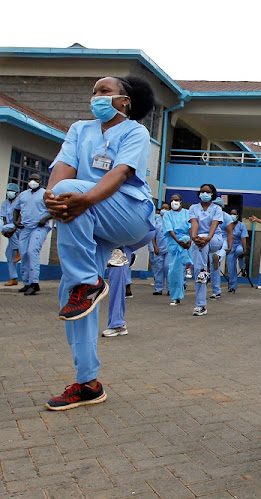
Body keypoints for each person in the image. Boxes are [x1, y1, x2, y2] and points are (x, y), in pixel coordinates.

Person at [43, 75, 155, 410]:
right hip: (89, 214)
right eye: (93, 92)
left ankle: (89, 282)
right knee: (71, 296)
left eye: (104, 91)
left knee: (69, 193)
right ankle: (87, 382)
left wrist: (79, 197)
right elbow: (64, 166)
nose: (96, 97)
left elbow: (119, 174)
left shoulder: (135, 131)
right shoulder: (80, 129)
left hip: (129, 213)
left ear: (125, 101)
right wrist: (52, 196)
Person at [14, 174, 53, 295]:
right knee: (24, 253)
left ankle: (34, 283)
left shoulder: (45, 194)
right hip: (25, 228)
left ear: (40, 181)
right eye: (30, 179)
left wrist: (45, 219)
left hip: (39, 227)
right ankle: (26, 283)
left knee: (32, 251)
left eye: (35, 179)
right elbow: (16, 209)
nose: (32, 181)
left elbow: (54, 210)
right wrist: (16, 222)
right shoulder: (23, 195)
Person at [188, 184, 223, 316]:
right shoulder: (193, 208)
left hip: (215, 240)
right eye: (202, 191)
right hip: (200, 242)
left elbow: (214, 225)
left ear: (213, 194)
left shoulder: (217, 209)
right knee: (199, 271)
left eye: (207, 192)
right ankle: (200, 305)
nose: (204, 194)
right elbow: (194, 224)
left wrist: (207, 238)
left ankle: (203, 268)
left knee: (201, 244)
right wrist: (193, 237)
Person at [162, 194, 192, 306]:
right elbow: (169, 229)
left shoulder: (187, 213)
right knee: (174, 272)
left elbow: (191, 227)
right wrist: (177, 241)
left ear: (181, 201)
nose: (174, 202)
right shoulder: (167, 215)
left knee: (185, 239)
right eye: (172, 200)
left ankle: (188, 265)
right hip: (174, 243)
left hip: (187, 242)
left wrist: (190, 241)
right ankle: (175, 296)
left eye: (177, 200)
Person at [209, 198, 233, 300]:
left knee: (220, 253)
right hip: (211, 239)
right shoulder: (209, 215)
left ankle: (218, 257)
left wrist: (230, 246)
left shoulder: (227, 217)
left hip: (223, 239)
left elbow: (229, 233)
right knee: (213, 267)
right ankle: (216, 291)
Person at [2, 183, 21, 286]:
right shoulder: (4, 203)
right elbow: (4, 217)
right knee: (9, 254)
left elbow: (20, 215)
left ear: (17, 193)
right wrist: (5, 231)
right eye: (8, 190)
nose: (10, 193)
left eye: (12, 191)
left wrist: (13, 229)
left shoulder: (19, 202)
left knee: (5, 227)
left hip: (18, 228)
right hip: (9, 228)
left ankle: (19, 250)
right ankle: (13, 278)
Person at [149, 202, 170, 295]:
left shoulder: (171, 220)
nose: (164, 210)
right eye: (163, 208)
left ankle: (170, 288)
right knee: (159, 268)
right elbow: (153, 235)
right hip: (159, 248)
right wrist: (155, 246)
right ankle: (158, 288)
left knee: (168, 267)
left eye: (166, 208)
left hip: (169, 249)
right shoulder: (157, 221)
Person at [226, 209, 248, 293]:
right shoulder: (227, 225)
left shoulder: (241, 226)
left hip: (238, 244)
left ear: (237, 216)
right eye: (231, 214)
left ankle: (242, 267)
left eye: (234, 214)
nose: (232, 215)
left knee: (240, 251)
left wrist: (244, 249)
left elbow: (243, 238)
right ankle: (232, 287)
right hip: (230, 246)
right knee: (231, 268)